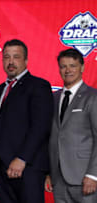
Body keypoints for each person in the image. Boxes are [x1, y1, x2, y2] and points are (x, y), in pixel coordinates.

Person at [0, 39, 53, 203]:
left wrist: (22, 159)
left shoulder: (39, 86)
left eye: (16, 57)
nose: (10, 62)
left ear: (25, 60)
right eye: (6, 57)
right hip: (1, 172)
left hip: (28, 169)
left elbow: (41, 127)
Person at [45, 48, 97, 203]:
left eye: (72, 66)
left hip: (84, 178)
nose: (68, 70)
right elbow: (51, 137)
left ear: (82, 67)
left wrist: (93, 175)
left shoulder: (93, 97)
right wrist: (49, 173)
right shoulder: (52, 98)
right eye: (63, 66)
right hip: (58, 179)